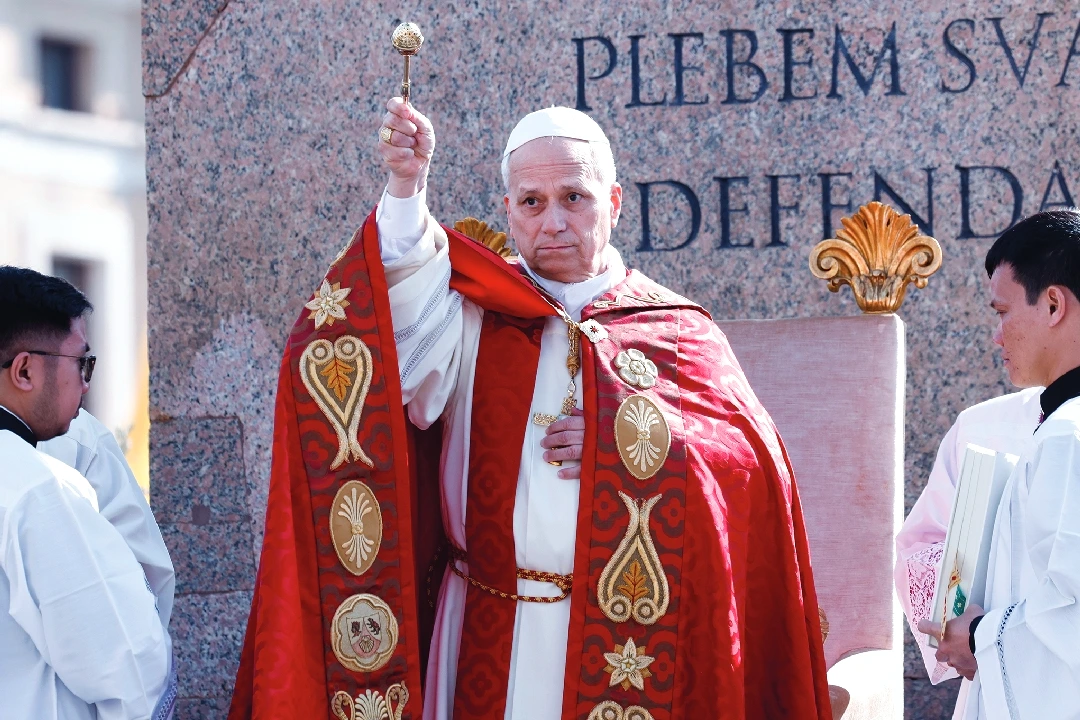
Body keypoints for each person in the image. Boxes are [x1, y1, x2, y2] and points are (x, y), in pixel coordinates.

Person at [230, 101, 831, 720]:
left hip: (632, 647)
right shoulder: (471, 312)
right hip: (482, 621)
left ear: (615, 202)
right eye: (531, 202)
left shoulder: (674, 331)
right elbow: (387, 333)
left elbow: (750, 466)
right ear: (509, 211)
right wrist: (407, 189)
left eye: (575, 197)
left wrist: (635, 447)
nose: (553, 223)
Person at [917, 209, 1080, 719]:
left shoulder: (1069, 436)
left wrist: (979, 634)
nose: (997, 336)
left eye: (1002, 312)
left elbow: (1072, 611)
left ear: (1053, 303)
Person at [0, 266, 175, 720]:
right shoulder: (35, 490)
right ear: (24, 370)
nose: (86, 382)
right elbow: (132, 667)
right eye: (83, 363)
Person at [893, 388, 1041, 703]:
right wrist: (962, 627)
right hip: (996, 676)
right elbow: (923, 545)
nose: (998, 337)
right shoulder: (982, 425)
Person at [39, 408, 176, 629]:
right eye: (83, 371)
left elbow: (142, 576)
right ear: (23, 373)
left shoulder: (79, 438)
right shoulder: (77, 437)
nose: (85, 386)